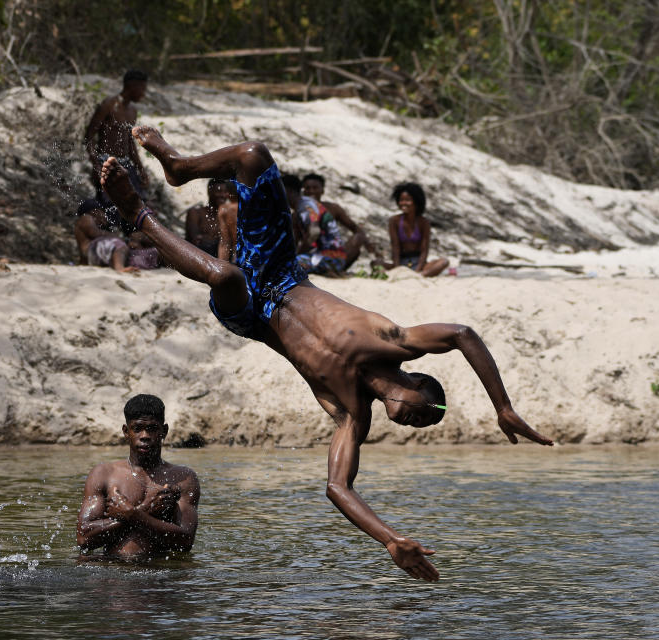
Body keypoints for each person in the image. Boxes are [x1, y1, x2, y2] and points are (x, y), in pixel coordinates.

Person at [98, 128, 554, 582]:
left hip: (251, 315)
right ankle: (180, 167)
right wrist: (503, 406)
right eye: (426, 414)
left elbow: (338, 487)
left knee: (228, 277)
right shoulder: (394, 340)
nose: (418, 424)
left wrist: (391, 539)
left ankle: (139, 215)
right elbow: (462, 333)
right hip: (281, 270)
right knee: (254, 154)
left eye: (421, 426)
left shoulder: (351, 414)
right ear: (417, 382)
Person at [77, 394, 200, 560]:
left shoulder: (183, 478)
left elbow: (185, 542)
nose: (145, 435)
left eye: (152, 428)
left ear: (164, 431)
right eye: (137, 428)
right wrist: (144, 511)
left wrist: (133, 514)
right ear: (126, 432)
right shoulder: (104, 473)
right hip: (113, 572)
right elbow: (84, 538)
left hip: (159, 576)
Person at [284, 174, 373, 275]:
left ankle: (331, 270)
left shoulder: (307, 206)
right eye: (308, 188)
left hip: (329, 256)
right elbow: (295, 240)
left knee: (289, 266)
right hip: (326, 255)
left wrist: (297, 255)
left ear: (287, 191)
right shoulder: (302, 209)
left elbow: (314, 233)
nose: (311, 191)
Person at [84, 69, 150, 197]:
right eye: (142, 88)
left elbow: (130, 143)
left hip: (125, 164)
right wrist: (96, 165)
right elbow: (89, 137)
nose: (143, 94)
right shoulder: (109, 105)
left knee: (138, 203)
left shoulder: (132, 111)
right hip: (106, 162)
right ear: (132, 86)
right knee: (110, 207)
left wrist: (140, 169)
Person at [73, 197, 159, 270]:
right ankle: (119, 268)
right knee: (117, 244)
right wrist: (118, 238)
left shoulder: (97, 229)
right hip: (94, 253)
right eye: (103, 212)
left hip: (101, 255)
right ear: (96, 212)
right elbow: (94, 233)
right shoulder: (86, 218)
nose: (105, 216)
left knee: (143, 254)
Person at [386, 183, 449, 277]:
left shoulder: (423, 223)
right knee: (375, 263)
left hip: (418, 261)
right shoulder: (394, 221)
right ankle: (418, 275)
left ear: (416, 202)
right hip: (402, 260)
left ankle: (419, 276)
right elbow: (395, 247)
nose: (403, 203)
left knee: (444, 262)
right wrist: (397, 269)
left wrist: (418, 269)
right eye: (401, 200)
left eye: (407, 200)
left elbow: (424, 250)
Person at [184, 179, 237, 258]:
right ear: (210, 191)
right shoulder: (196, 213)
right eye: (218, 191)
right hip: (199, 259)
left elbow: (232, 242)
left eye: (225, 192)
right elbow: (195, 241)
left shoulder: (228, 214)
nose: (222, 195)